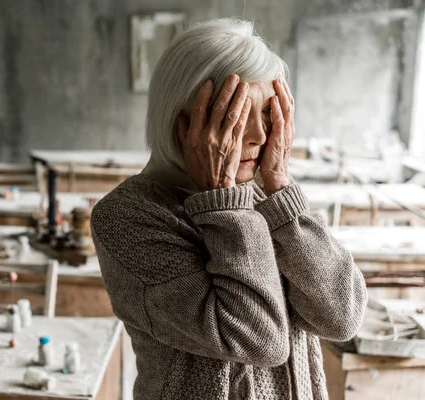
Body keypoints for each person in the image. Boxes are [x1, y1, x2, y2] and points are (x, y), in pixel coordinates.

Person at [91, 18, 367, 399]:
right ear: (181, 122)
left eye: (269, 114)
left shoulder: (266, 200)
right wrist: (222, 199)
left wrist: (282, 193)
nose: (258, 135)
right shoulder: (126, 218)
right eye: (235, 118)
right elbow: (259, 340)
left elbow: (342, 318)